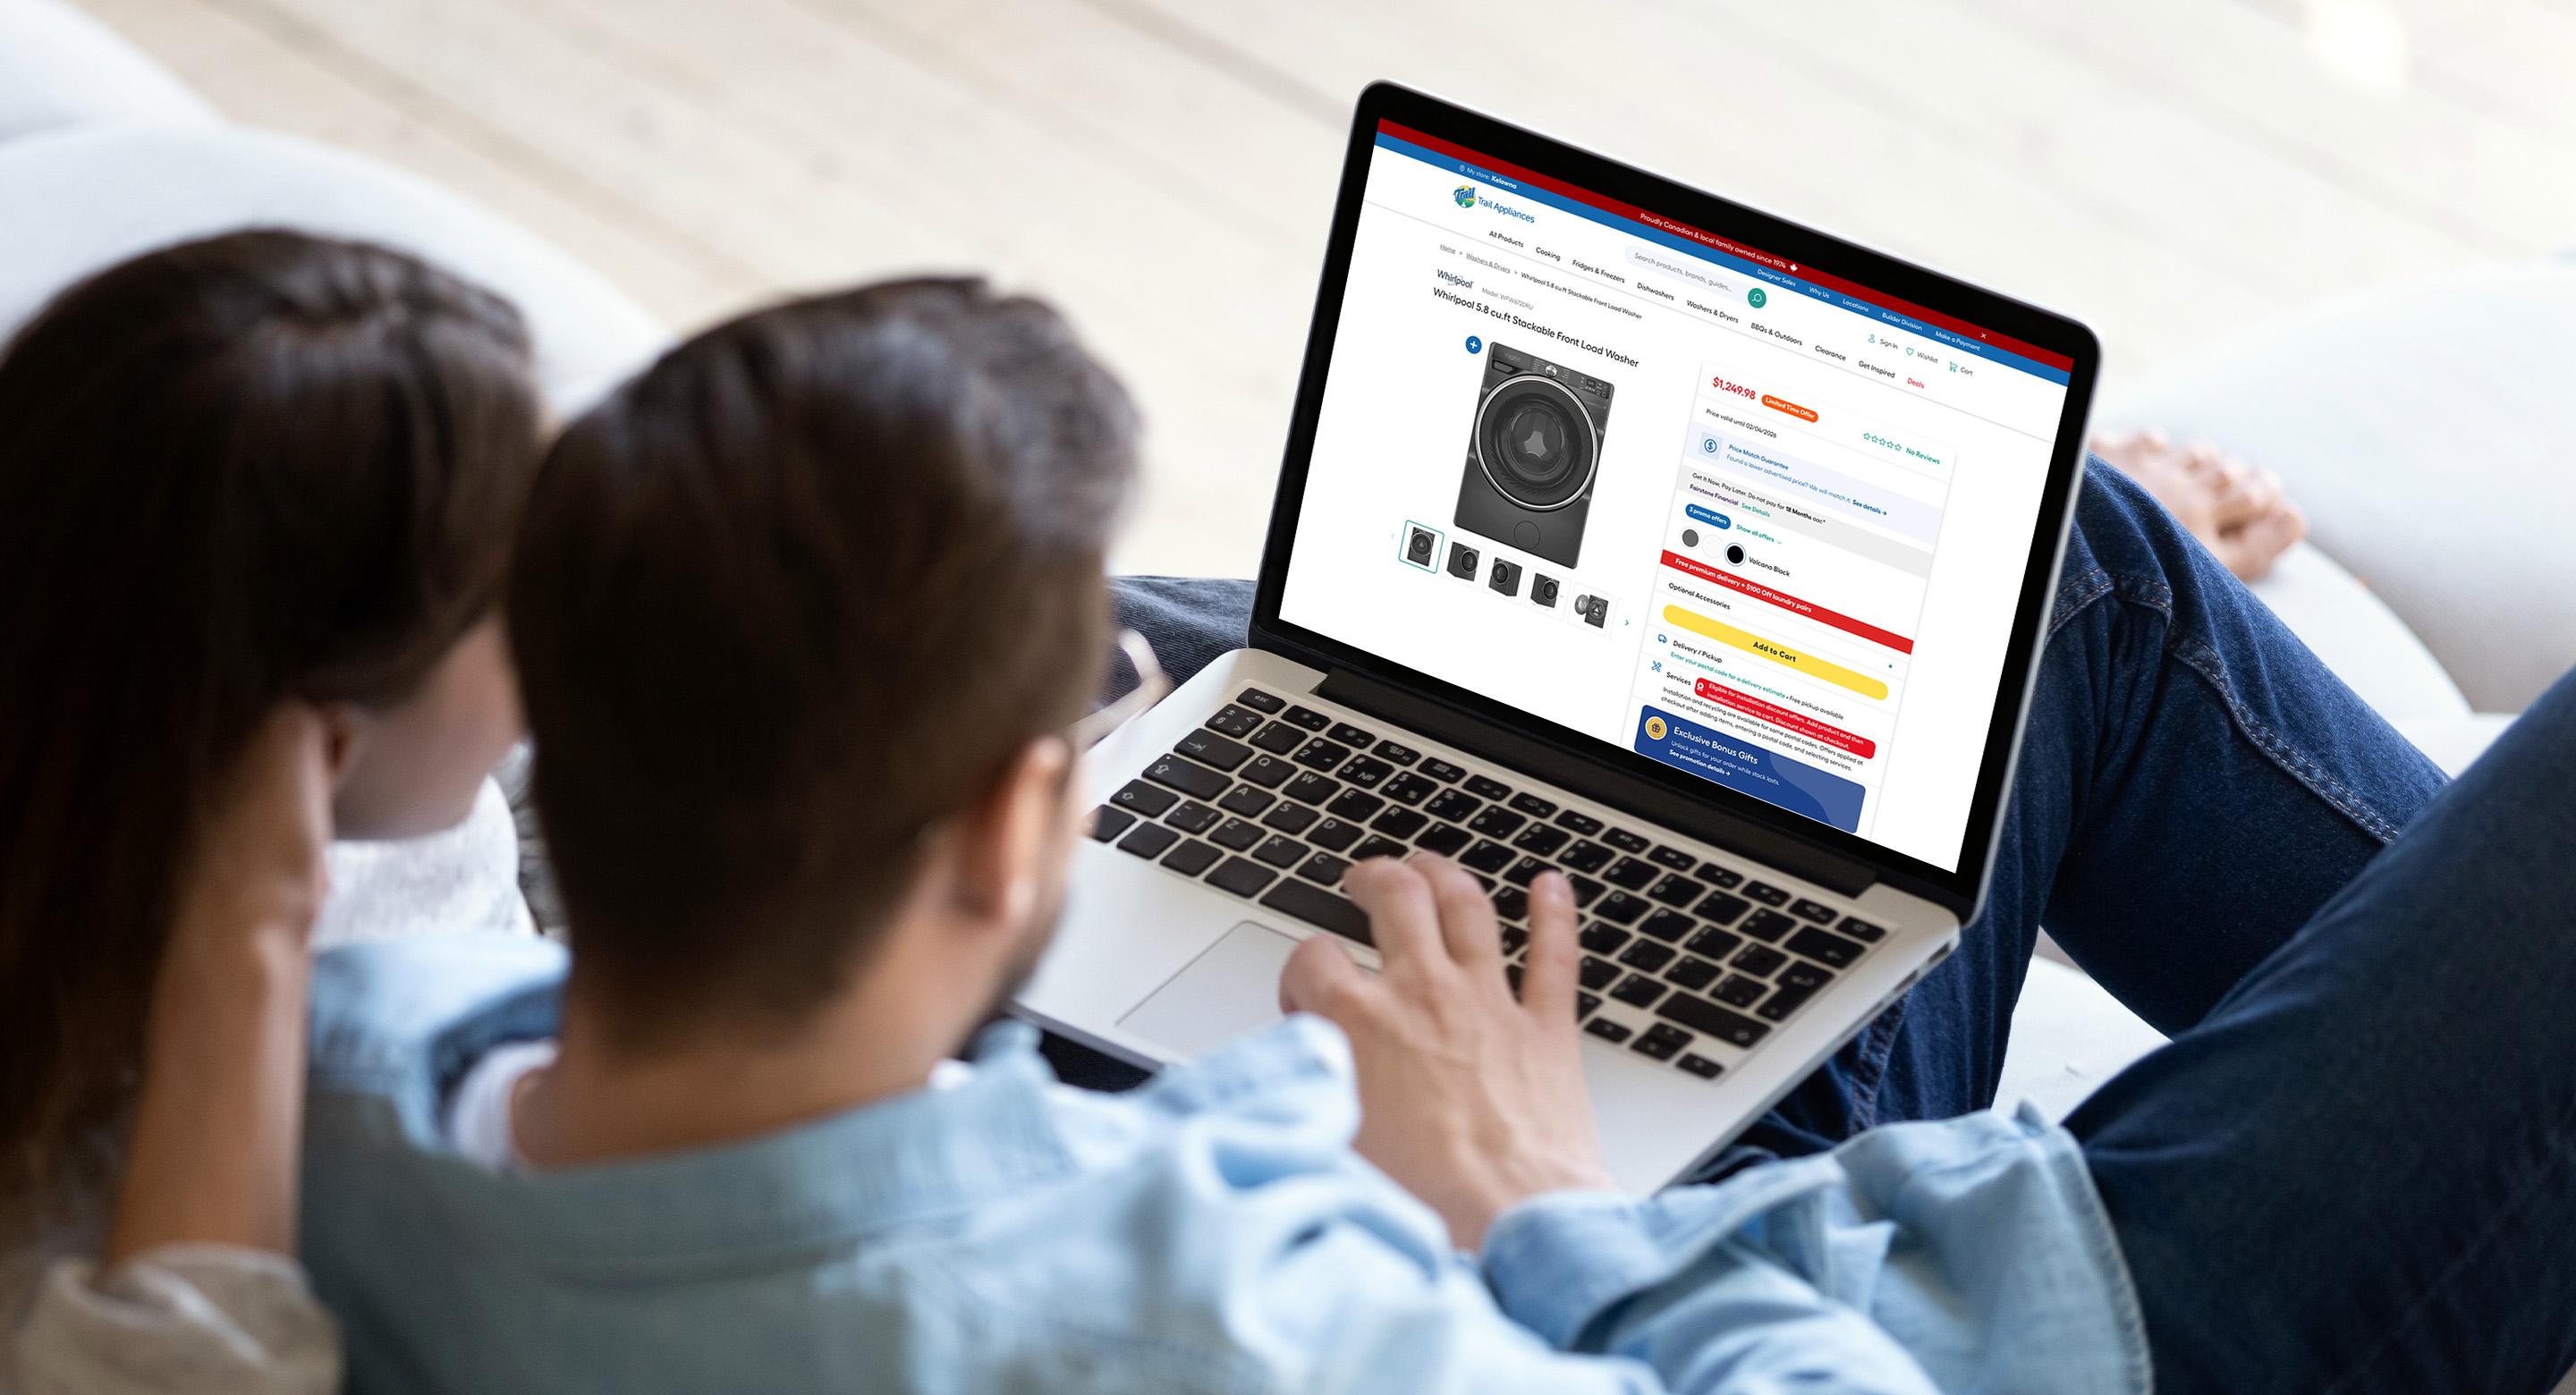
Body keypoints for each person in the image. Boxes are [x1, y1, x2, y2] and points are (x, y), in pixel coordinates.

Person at [292, 275, 2576, 1395]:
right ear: (1013, 832)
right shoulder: (1215, 1332)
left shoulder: (359, 1090)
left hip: (1619, 1185)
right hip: (2040, 1326)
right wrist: (1524, 1199)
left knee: (2044, 577)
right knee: (2087, 597)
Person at [0, 232, 542, 1392]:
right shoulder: (75, 1196)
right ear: (324, 739)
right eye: (522, 594)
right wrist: (247, 946)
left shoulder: (433, 828)